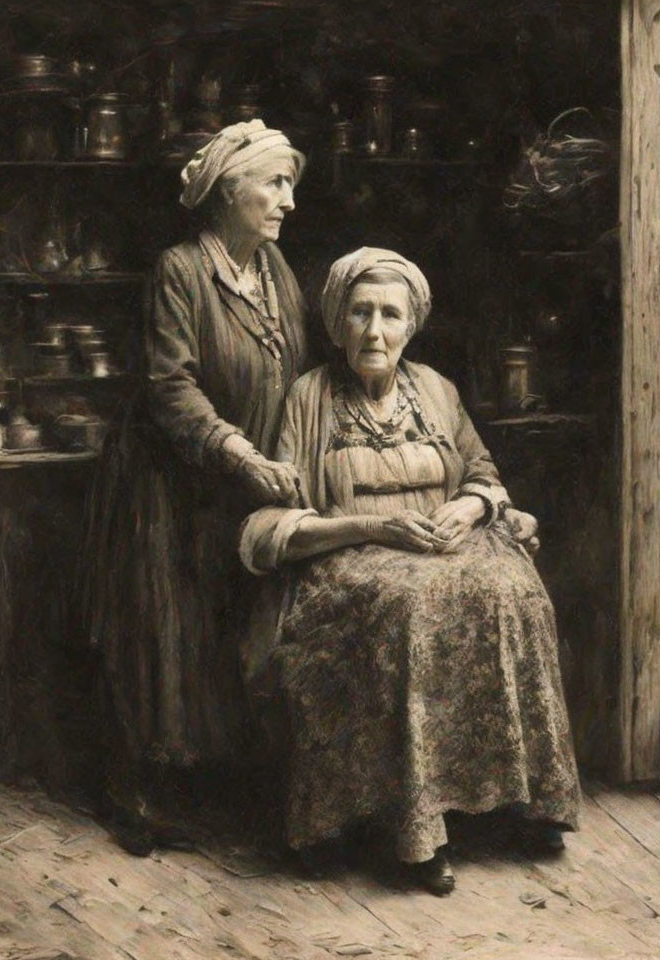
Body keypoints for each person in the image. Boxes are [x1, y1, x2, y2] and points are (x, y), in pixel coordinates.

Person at [238, 248, 580, 895]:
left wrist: (468, 504)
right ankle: (419, 832)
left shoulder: (436, 390)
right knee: (411, 607)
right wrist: (372, 527)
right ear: (338, 324)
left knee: (516, 588)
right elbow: (280, 523)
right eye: (360, 313)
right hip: (347, 562)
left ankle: (525, 801)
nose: (374, 330)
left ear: (411, 325)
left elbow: (484, 475)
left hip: (440, 547)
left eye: (390, 314)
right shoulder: (309, 398)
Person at [82, 120, 311, 855]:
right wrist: (241, 454)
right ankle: (135, 796)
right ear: (227, 190)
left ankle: (214, 793)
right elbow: (169, 388)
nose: (287, 202)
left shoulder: (276, 273)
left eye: (291, 186)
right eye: (275, 184)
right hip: (167, 481)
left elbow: (297, 375)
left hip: (239, 485)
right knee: (162, 631)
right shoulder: (181, 270)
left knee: (225, 631)